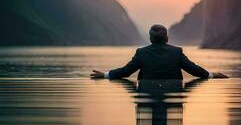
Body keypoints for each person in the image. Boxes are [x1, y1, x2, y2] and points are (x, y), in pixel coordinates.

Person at [90, 24, 228, 79]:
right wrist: (212, 75)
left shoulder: (141, 53)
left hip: (145, 88)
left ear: (150, 38)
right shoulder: (177, 52)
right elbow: (194, 70)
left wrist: (105, 74)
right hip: (175, 89)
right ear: (166, 37)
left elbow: (126, 72)